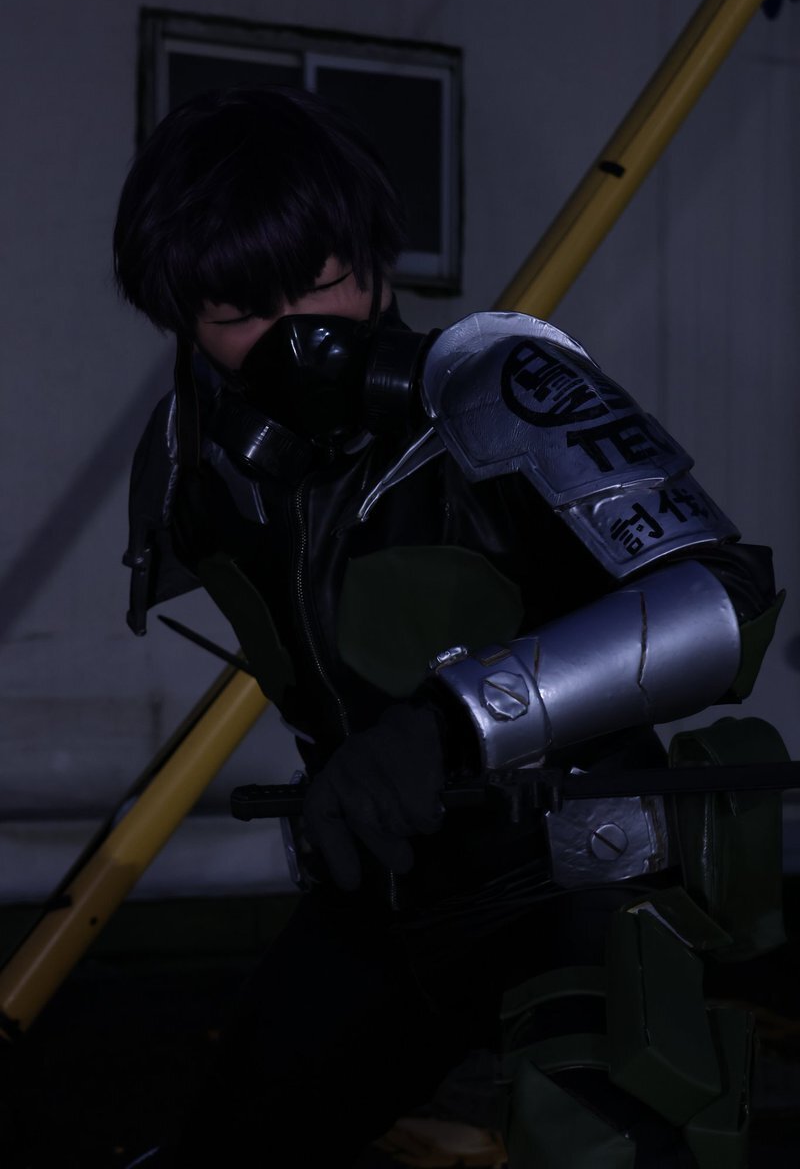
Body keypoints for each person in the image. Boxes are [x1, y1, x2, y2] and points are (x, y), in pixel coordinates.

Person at [115, 87, 782, 1167]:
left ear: (376, 264)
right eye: (238, 311)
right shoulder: (195, 456)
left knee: (603, 1141)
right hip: (377, 899)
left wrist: (450, 724)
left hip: (569, 879)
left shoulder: (494, 384)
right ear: (181, 318)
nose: (294, 338)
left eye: (320, 282)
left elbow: (722, 597)